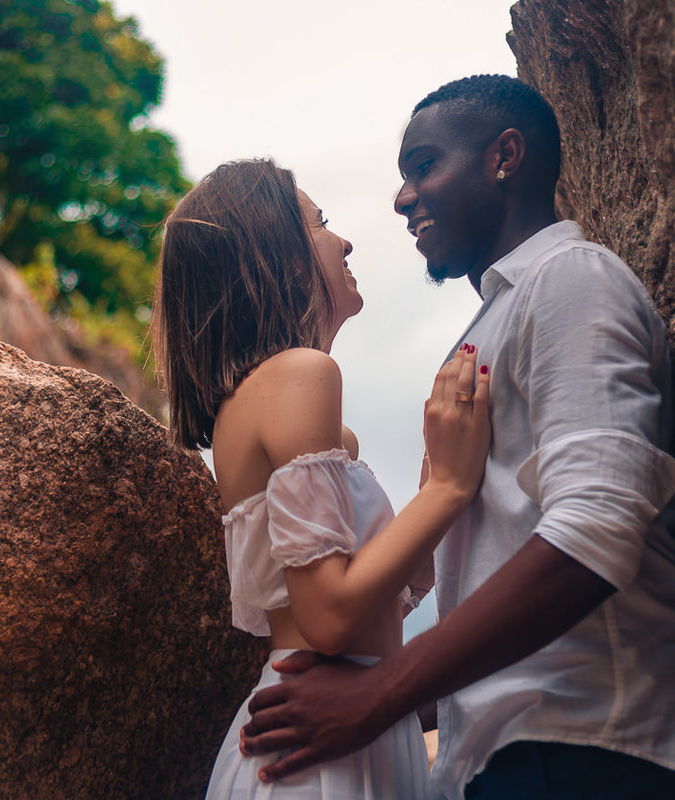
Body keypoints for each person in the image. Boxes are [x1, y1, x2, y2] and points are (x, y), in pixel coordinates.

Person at [239, 76, 675, 799]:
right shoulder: (492, 325)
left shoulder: (572, 279)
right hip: (504, 767)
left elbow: (596, 529)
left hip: (597, 756)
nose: (402, 198)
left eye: (423, 166)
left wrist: (379, 698)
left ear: (505, 157)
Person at [151, 158, 491, 798]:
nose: (345, 241)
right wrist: (449, 485)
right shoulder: (300, 374)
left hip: (337, 728)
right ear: (274, 254)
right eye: (321, 223)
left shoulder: (310, 422)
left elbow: (365, 609)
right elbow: (330, 618)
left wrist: (425, 499)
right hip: (317, 752)